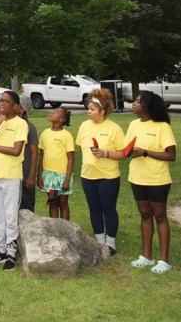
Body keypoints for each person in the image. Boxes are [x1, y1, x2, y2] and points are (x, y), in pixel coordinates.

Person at [126, 90, 177, 274]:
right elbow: (128, 149)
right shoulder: (132, 125)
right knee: (145, 214)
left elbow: (171, 155)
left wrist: (146, 152)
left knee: (160, 216)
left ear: (147, 105)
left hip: (157, 179)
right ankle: (146, 256)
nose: (133, 103)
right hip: (137, 177)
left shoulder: (163, 127)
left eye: (138, 101)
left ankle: (164, 260)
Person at [0, 90, 28, 271]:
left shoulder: (20, 124)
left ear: (16, 106)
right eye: (1, 101)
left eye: (7, 102)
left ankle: (11, 252)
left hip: (11, 175)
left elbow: (16, 150)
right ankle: (0, 250)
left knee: (10, 215)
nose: (2, 104)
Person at [76, 88, 125, 254]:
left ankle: (111, 244)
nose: (88, 112)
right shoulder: (83, 126)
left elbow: (123, 153)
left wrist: (105, 153)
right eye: (88, 108)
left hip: (108, 177)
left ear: (103, 111)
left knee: (108, 208)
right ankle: (99, 242)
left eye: (92, 109)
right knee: (94, 208)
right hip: (87, 175)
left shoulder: (114, 128)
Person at [37, 107, 74, 220]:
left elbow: (71, 159)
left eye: (56, 112)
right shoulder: (45, 134)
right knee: (52, 202)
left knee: (63, 202)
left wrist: (67, 179)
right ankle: (55, 230)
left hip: (62, 175)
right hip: (49, 175)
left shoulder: (66, 135)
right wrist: (39, 176)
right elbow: (42, 156)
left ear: (62, 119)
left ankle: (65, 230)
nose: (52, 112)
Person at [18, 102, 39, 213]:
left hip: (25, 176)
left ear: (22, 109)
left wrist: (31, 176)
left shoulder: (30, 128)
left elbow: (34, 153)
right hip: (13, 175)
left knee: (26, 210)